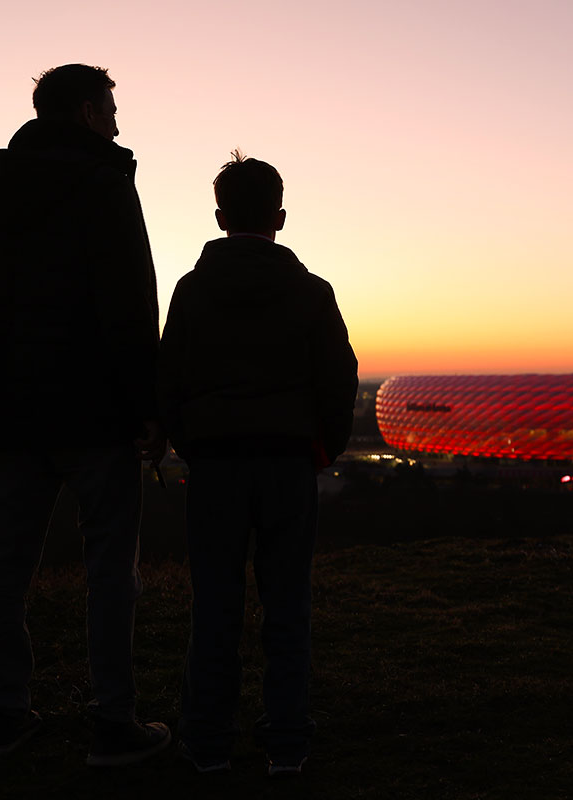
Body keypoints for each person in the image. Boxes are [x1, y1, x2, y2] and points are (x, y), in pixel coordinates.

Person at [0, 64, 171, 766]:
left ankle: (3, 717)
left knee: (4, 566)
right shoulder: (104, 182)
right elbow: (128, 301)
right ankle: (113, 722)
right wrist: (147, 406)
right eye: (110, 110)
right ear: (86, 112)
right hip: (95, 410)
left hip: (11, 410)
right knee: (110, 567)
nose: (117, 124)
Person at [157, 151, 358, 777]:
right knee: (287, 604)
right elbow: (340, 378)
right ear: (281, 217)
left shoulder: (192, 290)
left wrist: (189, 441)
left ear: (220, 217)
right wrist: (322, 447)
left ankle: (207, 743)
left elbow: (169, 378)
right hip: (288, 463)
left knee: (215, 605)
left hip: (216, 465)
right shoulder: (312, 291)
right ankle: (288, 745)